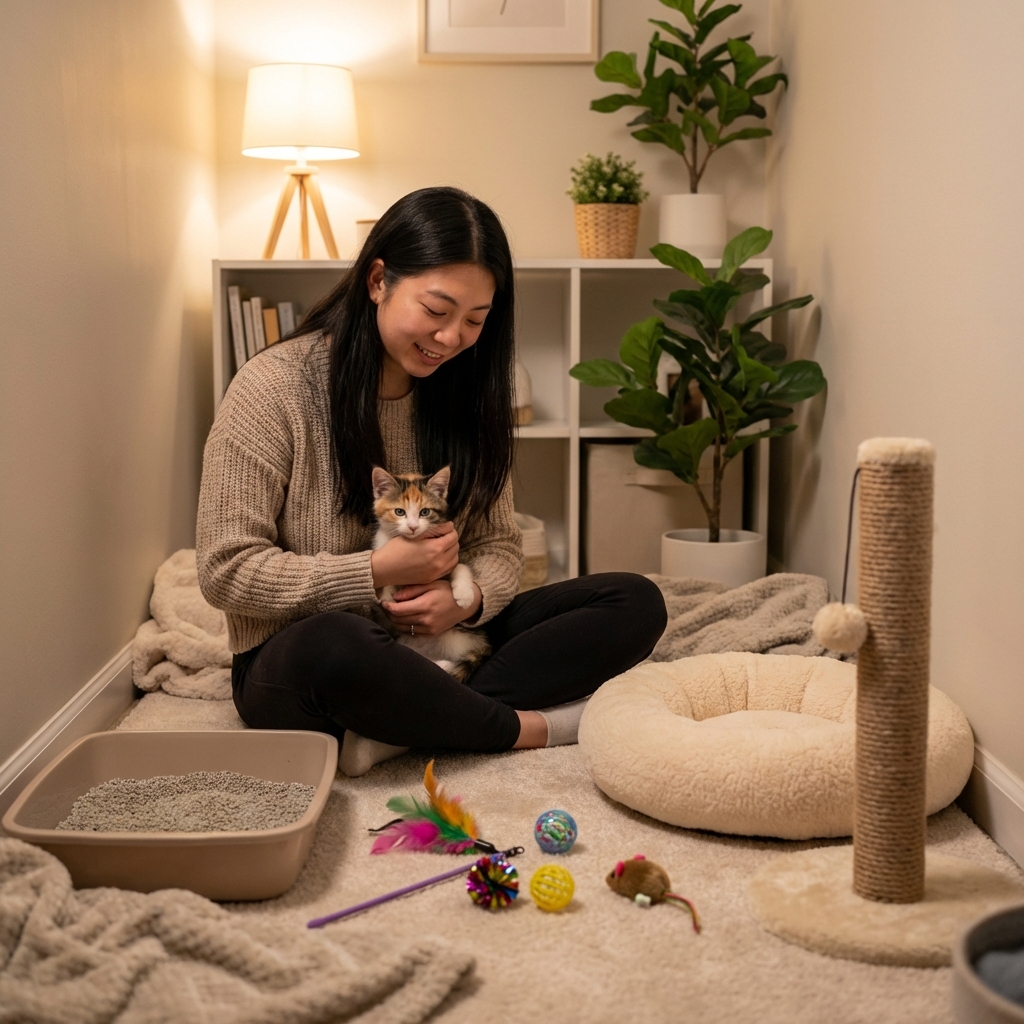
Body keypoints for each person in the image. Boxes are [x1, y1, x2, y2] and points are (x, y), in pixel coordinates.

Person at [196, 186, 666, 776]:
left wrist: (462, 605)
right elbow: (225, 569)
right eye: (437, 311)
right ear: (377, 282)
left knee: (634, 601)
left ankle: (402, 724)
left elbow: (498, 544)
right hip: (304, 659)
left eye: (475, 320)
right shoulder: (273, 388)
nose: (451, 339)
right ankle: (523, 729)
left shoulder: (466, 397)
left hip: (438, 645)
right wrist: (373, 573)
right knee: (339, 644)